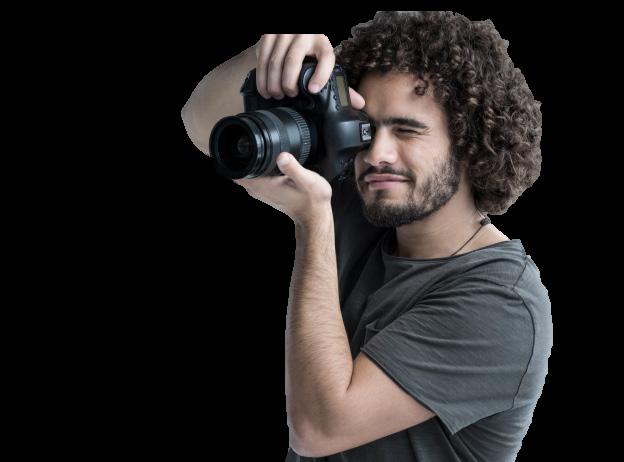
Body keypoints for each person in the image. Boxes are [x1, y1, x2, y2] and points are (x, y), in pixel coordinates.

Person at [182, 11, 551, 462]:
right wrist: (268, 58)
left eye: (407, 130)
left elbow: (319, 429)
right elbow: (199, 122)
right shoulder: (375, 202)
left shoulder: (503, 302)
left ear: (472, 144)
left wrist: (314, 222)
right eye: (368, 129)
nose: (376, 154)